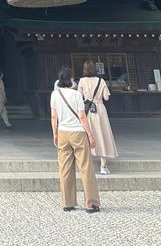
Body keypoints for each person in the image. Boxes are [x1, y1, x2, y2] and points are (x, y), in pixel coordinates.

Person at [50, 67, 100, 214]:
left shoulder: (54, 94)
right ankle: (90, 203)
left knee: (65, 168)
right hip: (77, 132)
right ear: (70, 80)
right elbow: (82, 117)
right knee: (85, 167)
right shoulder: (76, 95)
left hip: (62, 132)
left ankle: (68, 202)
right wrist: (90, 135)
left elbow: (54, 116)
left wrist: (55, 134)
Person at [78, 61, 118, 175]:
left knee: (86, 134)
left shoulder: (82, 81)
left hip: (88, 110)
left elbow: (79, 97)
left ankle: (86, 164)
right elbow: (106, 98)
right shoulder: (101, 81)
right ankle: (103, 166)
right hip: (100, 109)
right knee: (103, 135)